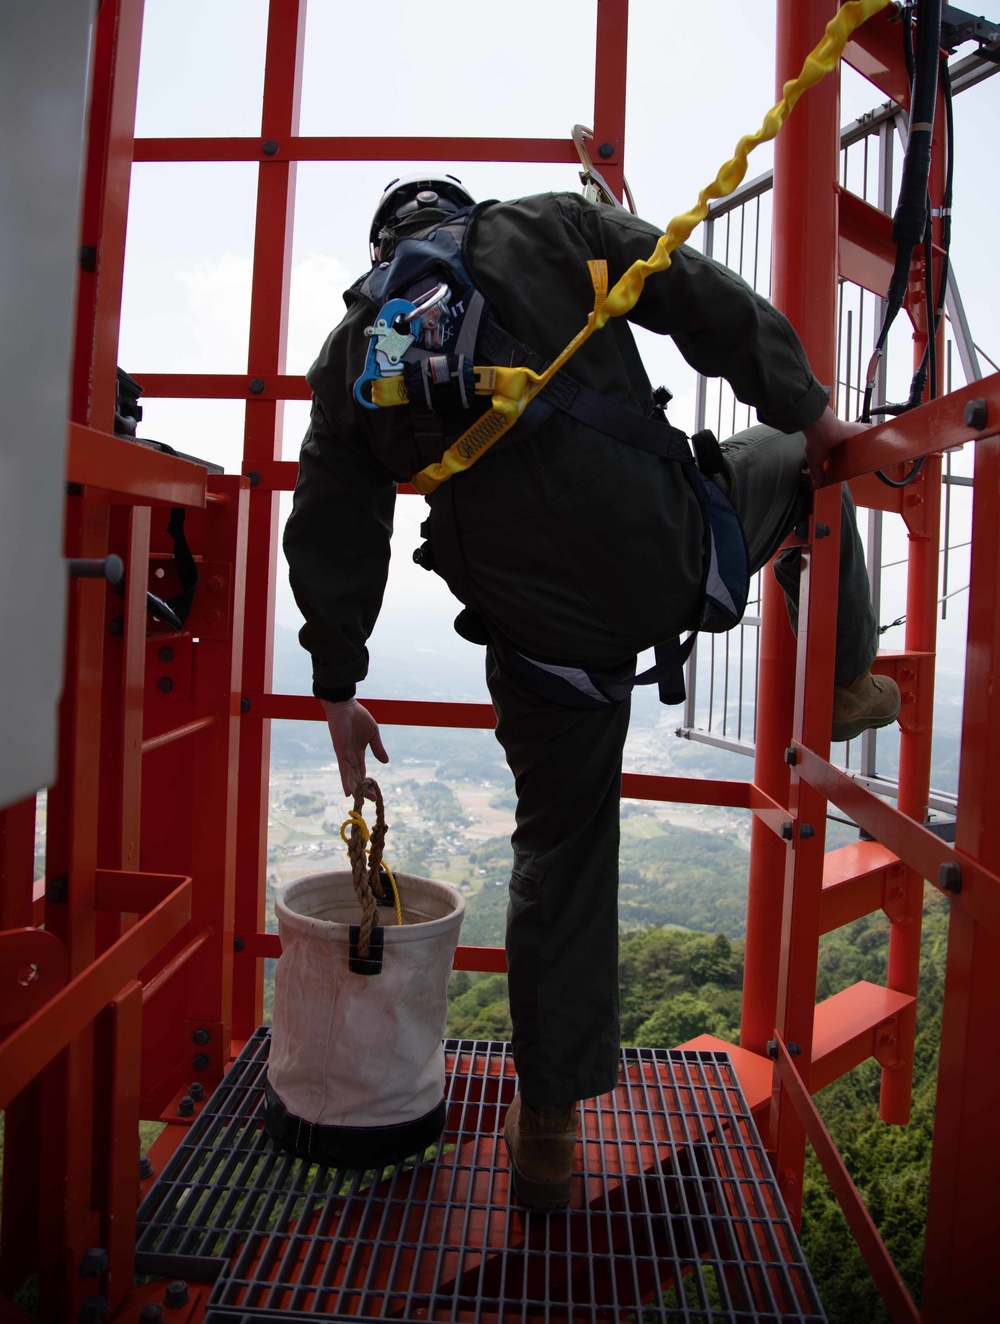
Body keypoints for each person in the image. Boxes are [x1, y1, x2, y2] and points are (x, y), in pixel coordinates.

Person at [283, 175, 899, 1209]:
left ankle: (551, 1126)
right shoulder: (543, 226)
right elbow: (694, 291)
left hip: (541, 640)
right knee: (796, 464)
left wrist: (338, 680)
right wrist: (806, 409)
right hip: (673, 554)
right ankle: (842, 685)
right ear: (454, 212)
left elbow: (335, 520)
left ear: (384, 248)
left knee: (559, 850)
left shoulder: (362, 347)